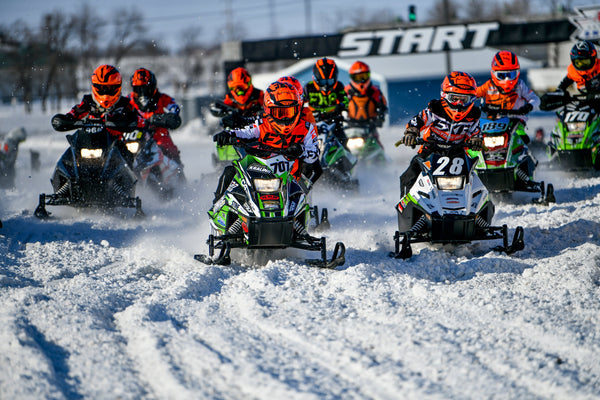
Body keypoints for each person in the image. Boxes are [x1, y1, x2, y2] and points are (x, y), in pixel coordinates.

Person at [212, 81, 322, 202]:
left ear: (297, 109)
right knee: (230, 171)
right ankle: (219, 205)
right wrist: (228, 134)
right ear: (269, 111)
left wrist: (301, 150)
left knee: (309, 174)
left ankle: (303, 208)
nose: (285, 118)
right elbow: (245, 131)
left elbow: (314, 154)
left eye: (289, 112)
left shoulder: (306, 128)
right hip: (260, 171)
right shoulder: (262, 124)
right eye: (279, 113)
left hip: (291, 178)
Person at [397, 71, 483, 196]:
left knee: (476, 176)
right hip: (431, 149)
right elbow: (418, 120)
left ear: (472, 99)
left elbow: (476, 132)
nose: (459, 104)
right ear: (445, 95)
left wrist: (476, 140)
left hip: (458, 152)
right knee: (410, 176)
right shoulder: (435, 109)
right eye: (454, 99)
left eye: (464, 100)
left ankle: (476, 203)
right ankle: (407, 205)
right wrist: (411, 132)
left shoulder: (473, 115)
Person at [51, 64, 141, 136]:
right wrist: (66, 119)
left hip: (115, 144)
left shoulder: (125, 104)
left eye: (110, 88)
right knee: (68, 154)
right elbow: (76, 112)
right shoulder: (88, 101)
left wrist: (120, 121)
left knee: (129, 156)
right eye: (102, 88)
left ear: (118, 87)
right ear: (95, 87)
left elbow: (134, 120)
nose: (106, 93)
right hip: (88, 141)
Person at [476, 50, 540, 142]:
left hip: (515, 122)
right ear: (494, 73)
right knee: (476, 139)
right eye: (502, 75)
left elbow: (536, 99)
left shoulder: (520, 85)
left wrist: (529, 106)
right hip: (492, 123)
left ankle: (528, 153)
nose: (507, 79)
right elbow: (473, 94)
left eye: (511, 75)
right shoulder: (489, 86)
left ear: (517, 73)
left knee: (523, 139)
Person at [128, 67, 183, 166]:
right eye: (139, 89)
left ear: (153, 87)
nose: (142, 93)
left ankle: (179, 172)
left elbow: (174, 107)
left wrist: (166, 117)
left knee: (170, 149)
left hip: (158, 135)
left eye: (146, 89)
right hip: (135, 136)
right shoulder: (128, 100)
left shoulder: (162, 98)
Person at [304, 57, 349, 144]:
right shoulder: (308, 88)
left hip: (334, 124)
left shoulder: (339, 86)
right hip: (313, 125)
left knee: (345, 145)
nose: (326, 86)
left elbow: (346, 102)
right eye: (323, 82)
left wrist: (341, 107)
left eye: (329, 81)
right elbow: (300, 104)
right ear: (315, 79)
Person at [344, 60, 388, 127]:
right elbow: (339, 107)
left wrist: (380, 118)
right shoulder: (345, 92)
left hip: (370, 127)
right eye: (358, 77)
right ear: (352, 77)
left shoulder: (375, 91)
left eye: (364, 76)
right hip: (350, 127)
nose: (361, 81)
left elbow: (383, 107)